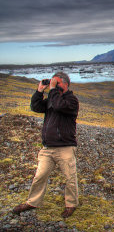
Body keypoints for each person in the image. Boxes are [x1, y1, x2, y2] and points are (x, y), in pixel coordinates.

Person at [12, 72, 79, 218]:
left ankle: (71, 204)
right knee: (39, 176)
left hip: (65, 147)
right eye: (53, 82)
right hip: (48, 148)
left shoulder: (71, 100)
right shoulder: (52, 98)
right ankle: (33, 202)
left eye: (57, 83)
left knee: (70, 177)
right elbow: (35, 107)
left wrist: (53, 90)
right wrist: (39, 91)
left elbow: (59, 106)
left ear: (65, 84)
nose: (53, 85)